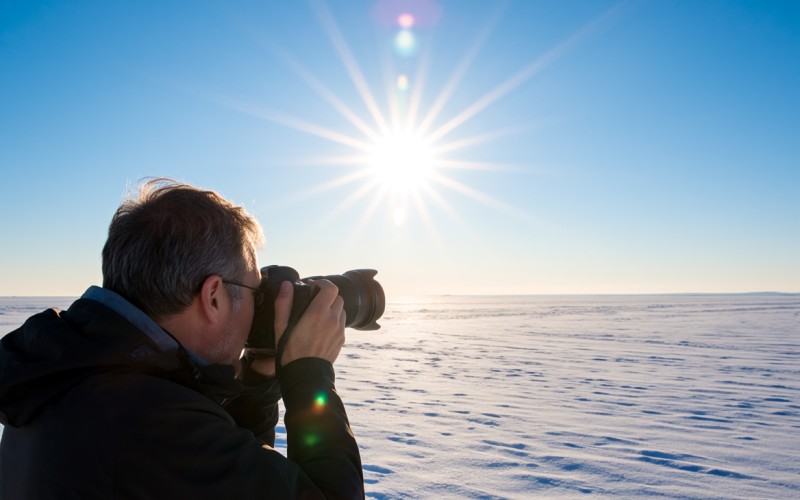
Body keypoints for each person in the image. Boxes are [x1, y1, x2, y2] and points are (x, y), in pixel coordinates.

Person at [0, 179, 364, 498]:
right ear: (214, 297)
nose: (258, 307)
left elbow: (232, 474)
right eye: (255, 292)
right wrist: (309, 375)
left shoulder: (67, 372)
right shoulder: (152, 425)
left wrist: (261, 378)